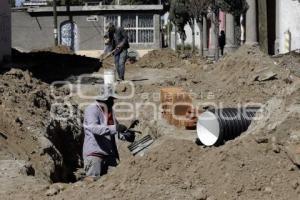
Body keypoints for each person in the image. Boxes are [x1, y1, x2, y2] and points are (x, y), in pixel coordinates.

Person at [82, 86, 135, 180]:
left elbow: (114, 130)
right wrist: (116, 128)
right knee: (92, 184)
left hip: (109, 154)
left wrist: (125, 135)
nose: (113, 102)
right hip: (95, 154)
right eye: (111, 99)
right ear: (104, 99)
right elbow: (95, 128)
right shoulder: (91, 109)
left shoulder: (109, 111)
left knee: (114, 180)